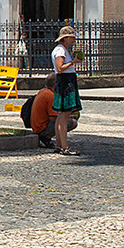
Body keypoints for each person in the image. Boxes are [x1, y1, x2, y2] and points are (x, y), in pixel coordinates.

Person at [50, 26, 82, 155]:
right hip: (65, 82)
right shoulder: (60, 51)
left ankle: (59, 144)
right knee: (64, 116)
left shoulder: (63, 50)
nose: (74, 40)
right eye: (72, 38)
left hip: (66, 81)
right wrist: (73, 62)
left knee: (61, 115)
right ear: (66, 38)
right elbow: (60, 68)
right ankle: (64, 146)